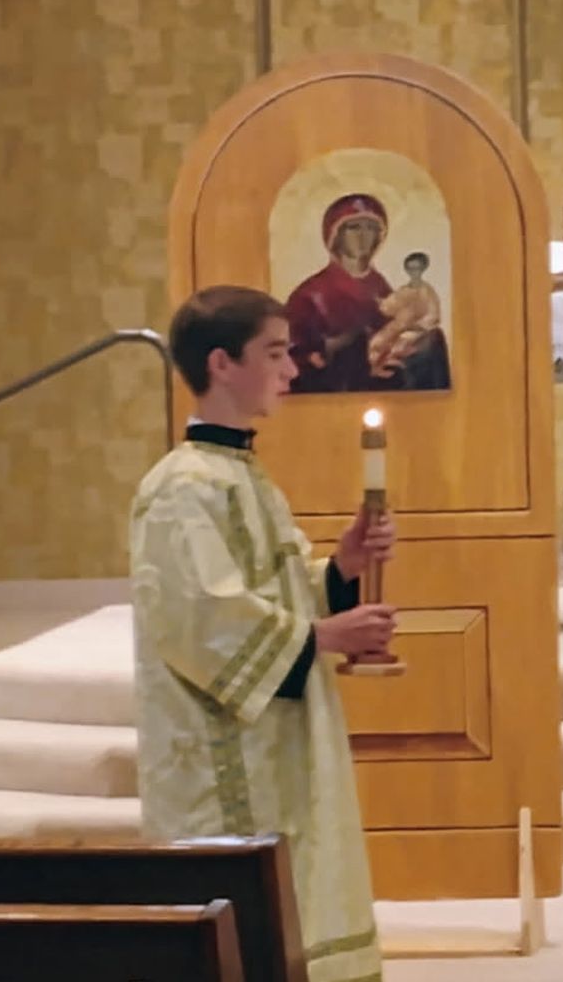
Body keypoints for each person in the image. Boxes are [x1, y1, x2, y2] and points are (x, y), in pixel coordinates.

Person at [130, 286, 398, 982]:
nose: (291, 370)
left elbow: (265, 594)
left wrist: (340, 569)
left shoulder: (244, 473)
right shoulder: (180, 488)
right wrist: (327, 636)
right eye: (274, 354)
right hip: (222, 750)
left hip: (274, 733)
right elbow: (201, 618)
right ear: (222, 363)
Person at [286, 193, 395, 393]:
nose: (363, 236)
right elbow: (294, 353)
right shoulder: (310, 294)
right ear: (335, 235)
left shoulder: (380, 286)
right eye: (354, 228)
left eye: (371, 228)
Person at [369, 250, 451, 390]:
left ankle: (396, 371)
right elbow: (390, 306)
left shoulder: (427, 291)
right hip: (398, 325)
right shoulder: (404, 290)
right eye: (411, 268)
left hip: (415, 330)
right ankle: (377, 369)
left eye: (417, 268)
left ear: (422, 269)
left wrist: (415, 326)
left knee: (401, 346)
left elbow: (433, 315)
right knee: (378, 341)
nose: (414, 272)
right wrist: (380, 302)